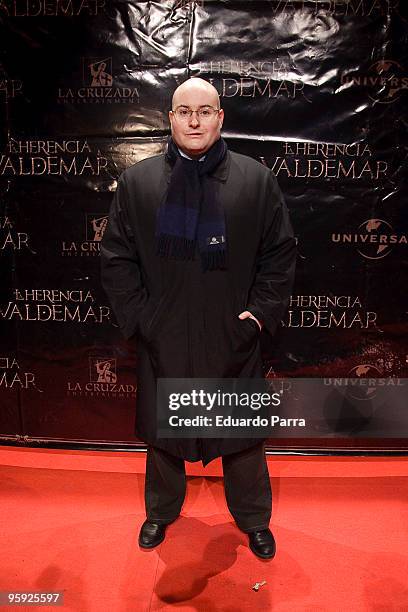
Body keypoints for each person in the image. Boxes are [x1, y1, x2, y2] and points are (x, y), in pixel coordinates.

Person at [100, 77, 296, 559]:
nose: (194, 120)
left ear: (220, 117)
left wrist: (257, 317)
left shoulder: (255, 179)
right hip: (163, 333)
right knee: (164, 433)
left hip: (232, 332)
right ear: (169, 118)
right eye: (184, 111)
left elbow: (280, 253)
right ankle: (160, 513)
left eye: (205, 110)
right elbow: (117, 257)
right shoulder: (138, 182)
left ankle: (253, 520)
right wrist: (143, 319)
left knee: (242, 438)